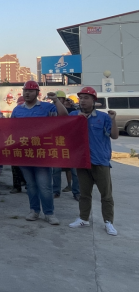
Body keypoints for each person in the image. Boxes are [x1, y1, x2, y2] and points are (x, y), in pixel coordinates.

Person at [10, 81, 68, 225]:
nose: (27, 93)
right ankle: (34, 210)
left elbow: (64, 116)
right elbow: (10, 129)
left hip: (42, 153)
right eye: (25, 90)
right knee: (31, 185)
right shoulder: (17, 110)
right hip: (25, 153)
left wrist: (56, 100)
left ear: (37, 93)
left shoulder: (47, 107)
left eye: (30, 91)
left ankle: (49, 213)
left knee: (44, 186)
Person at [69, 87, 119, 236]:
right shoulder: (73, 116)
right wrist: (77, 121)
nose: (83, 100)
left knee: (106, 195)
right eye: (81, 98)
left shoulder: (103, 117)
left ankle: (108, 222)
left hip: (100, 161)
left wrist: (113, 119)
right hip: (82, 161)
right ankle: (83, 218)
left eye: (86, 98)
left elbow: (114, 136)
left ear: (93, 100)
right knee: (84, 193)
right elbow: (66, 134)